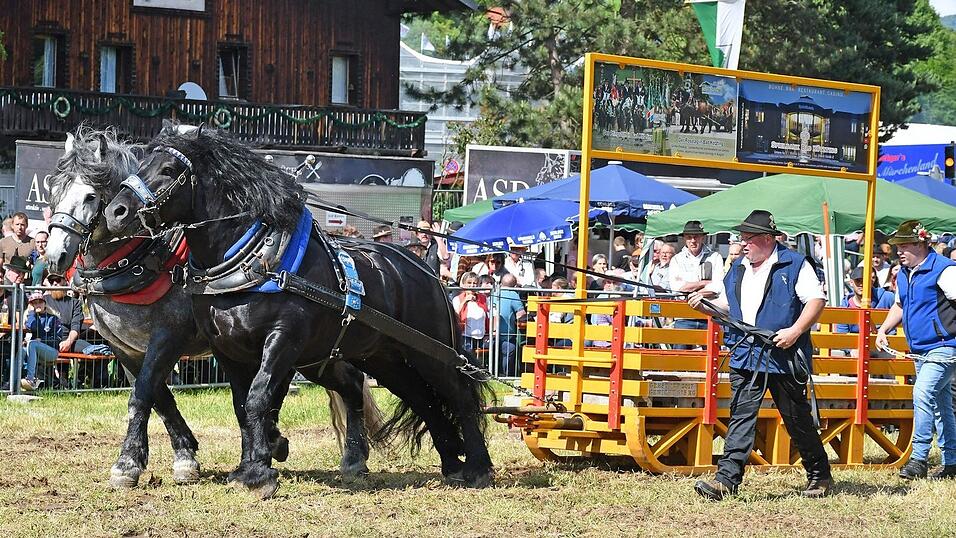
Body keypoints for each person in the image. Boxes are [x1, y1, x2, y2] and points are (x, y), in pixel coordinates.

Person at [687, 210, 831, 499]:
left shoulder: (794, 264)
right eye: (742, 239)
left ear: (767, 239)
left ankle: (819, 474)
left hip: (783, 354)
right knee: (741, 416)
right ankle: (726, 481)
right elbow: (729, 307)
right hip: (747, 352)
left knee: (796, 419)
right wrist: (704, 307)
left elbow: (816, 300)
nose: (743, 245)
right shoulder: (738, 268)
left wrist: (795, 331)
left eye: (748, 239)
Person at [876, 220, 956, 480]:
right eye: (897, 245)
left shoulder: (945, 271)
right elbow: (900, 305)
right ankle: (952, 461)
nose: (898, 250)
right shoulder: (903, 272)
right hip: (920, 349)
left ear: (921, 244)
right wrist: (883, 329)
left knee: (922, 393)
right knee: (941, 406)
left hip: (944, 347)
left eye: (904, 244)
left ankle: (919, 459)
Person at [19, 291, 92, 391]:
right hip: (36, 350)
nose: (38, 305)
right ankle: (14, 382)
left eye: (40, 302)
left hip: (52, 351)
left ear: (45, 303)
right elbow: (32, 327)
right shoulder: (32, 317)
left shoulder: (53, 318)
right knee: (21, 349)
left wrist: (42, 340)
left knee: (32, 344)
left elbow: (57, 339)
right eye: (34, 303)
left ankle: (30, 379)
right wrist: (31, 312)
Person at [491, 273, 526, 376]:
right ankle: (505, 376)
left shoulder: (494, 292)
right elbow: (521, 315)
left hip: (489, 336)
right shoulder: (513, 295)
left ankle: (496, 373)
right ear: (515, 286)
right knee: (511, 348)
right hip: (505, 337)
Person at [452, 272, 488, 353]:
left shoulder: (484, 299)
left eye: (475, 283)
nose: (472, 286)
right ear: (464, 284)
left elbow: (488, 316)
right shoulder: (457, 299)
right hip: (465, 336)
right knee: (467, 354)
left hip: (481, 336)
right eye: (469, 283)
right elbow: (455, 316)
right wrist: (465, 301)